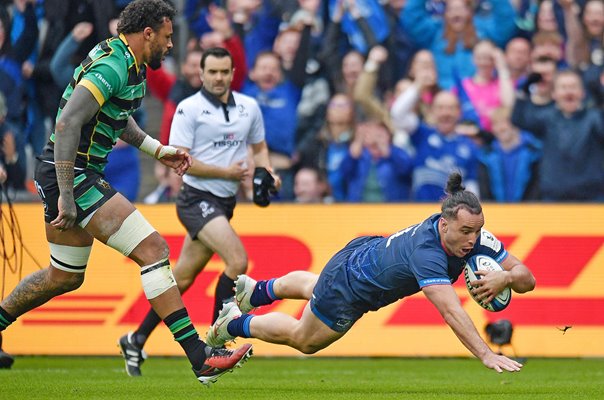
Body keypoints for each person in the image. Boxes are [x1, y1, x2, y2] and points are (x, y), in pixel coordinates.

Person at [0, 0, 252, 385]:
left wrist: (158, 150)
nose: (171, 46)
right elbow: (67, 124)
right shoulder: (113, 65)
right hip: (72, 173)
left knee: (64, 277)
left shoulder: (129, 63)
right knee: (154, 251)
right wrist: (67, 195)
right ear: (147, 33)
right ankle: (200, 357)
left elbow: (119, 118)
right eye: (167, 38)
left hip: (68, 173)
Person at [206, 172, 537, 374]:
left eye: (477, 231)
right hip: (352, 288)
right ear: (445, 224)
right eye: (466, 231)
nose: (473, 239)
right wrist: (484, 353)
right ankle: (231, 323)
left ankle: (257, 292)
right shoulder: (428, 254)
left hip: (360, 253)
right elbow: (451, 310)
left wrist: (505, 278)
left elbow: (528, 278)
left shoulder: (472, 236)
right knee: (305, 339)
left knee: (316, 285)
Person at [119, 46, 280, 377]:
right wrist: (230, 174)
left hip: (224, 202)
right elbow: (182, 161)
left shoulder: (248, 107)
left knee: (181, 278)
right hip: (195, 198)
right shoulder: (188, 109)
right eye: (213, 72)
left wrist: (267, 171)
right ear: (201, 74)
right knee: (237, 260)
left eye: (225, 72)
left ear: (232, 73)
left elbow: (260, 148)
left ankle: (135, 339)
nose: (219, 77)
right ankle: (215, 338)